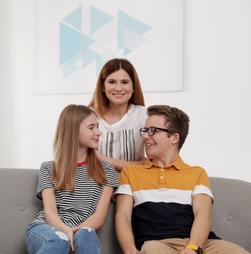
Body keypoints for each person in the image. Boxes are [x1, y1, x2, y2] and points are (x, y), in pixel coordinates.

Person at [114, 105, 249, 254]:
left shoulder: (196, 173)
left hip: (201, 244)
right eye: (145, 131)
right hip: (159, 244)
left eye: (153, 130)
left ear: (174, 137)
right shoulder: (130, 173)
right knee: (153, 249)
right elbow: (123, 216)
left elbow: (203, 214)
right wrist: (130, 250)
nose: (146, 136)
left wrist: (193, 247)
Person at [25, 104, 118, 254]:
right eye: (91, 127)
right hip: (47, 229)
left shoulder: (106, 170)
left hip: (83, 230)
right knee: (59, 240)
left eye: (98, 127)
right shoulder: (48, 168)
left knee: (86, 235)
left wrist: (75, 234)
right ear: (73, 130)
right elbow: (50, 211)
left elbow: (100, 216)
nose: (98, 132)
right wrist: (66, 232)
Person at [89, 58, 147, 172]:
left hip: (131, 186)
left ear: (133, 87)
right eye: (112, 82)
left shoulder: (145, 115)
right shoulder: (88, 116)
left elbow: (153, 164)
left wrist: (102, 159)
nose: (119, 88)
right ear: (103, 87)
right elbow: (81, 159)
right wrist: (137, 165)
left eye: (125, 82)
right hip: (95, 186)